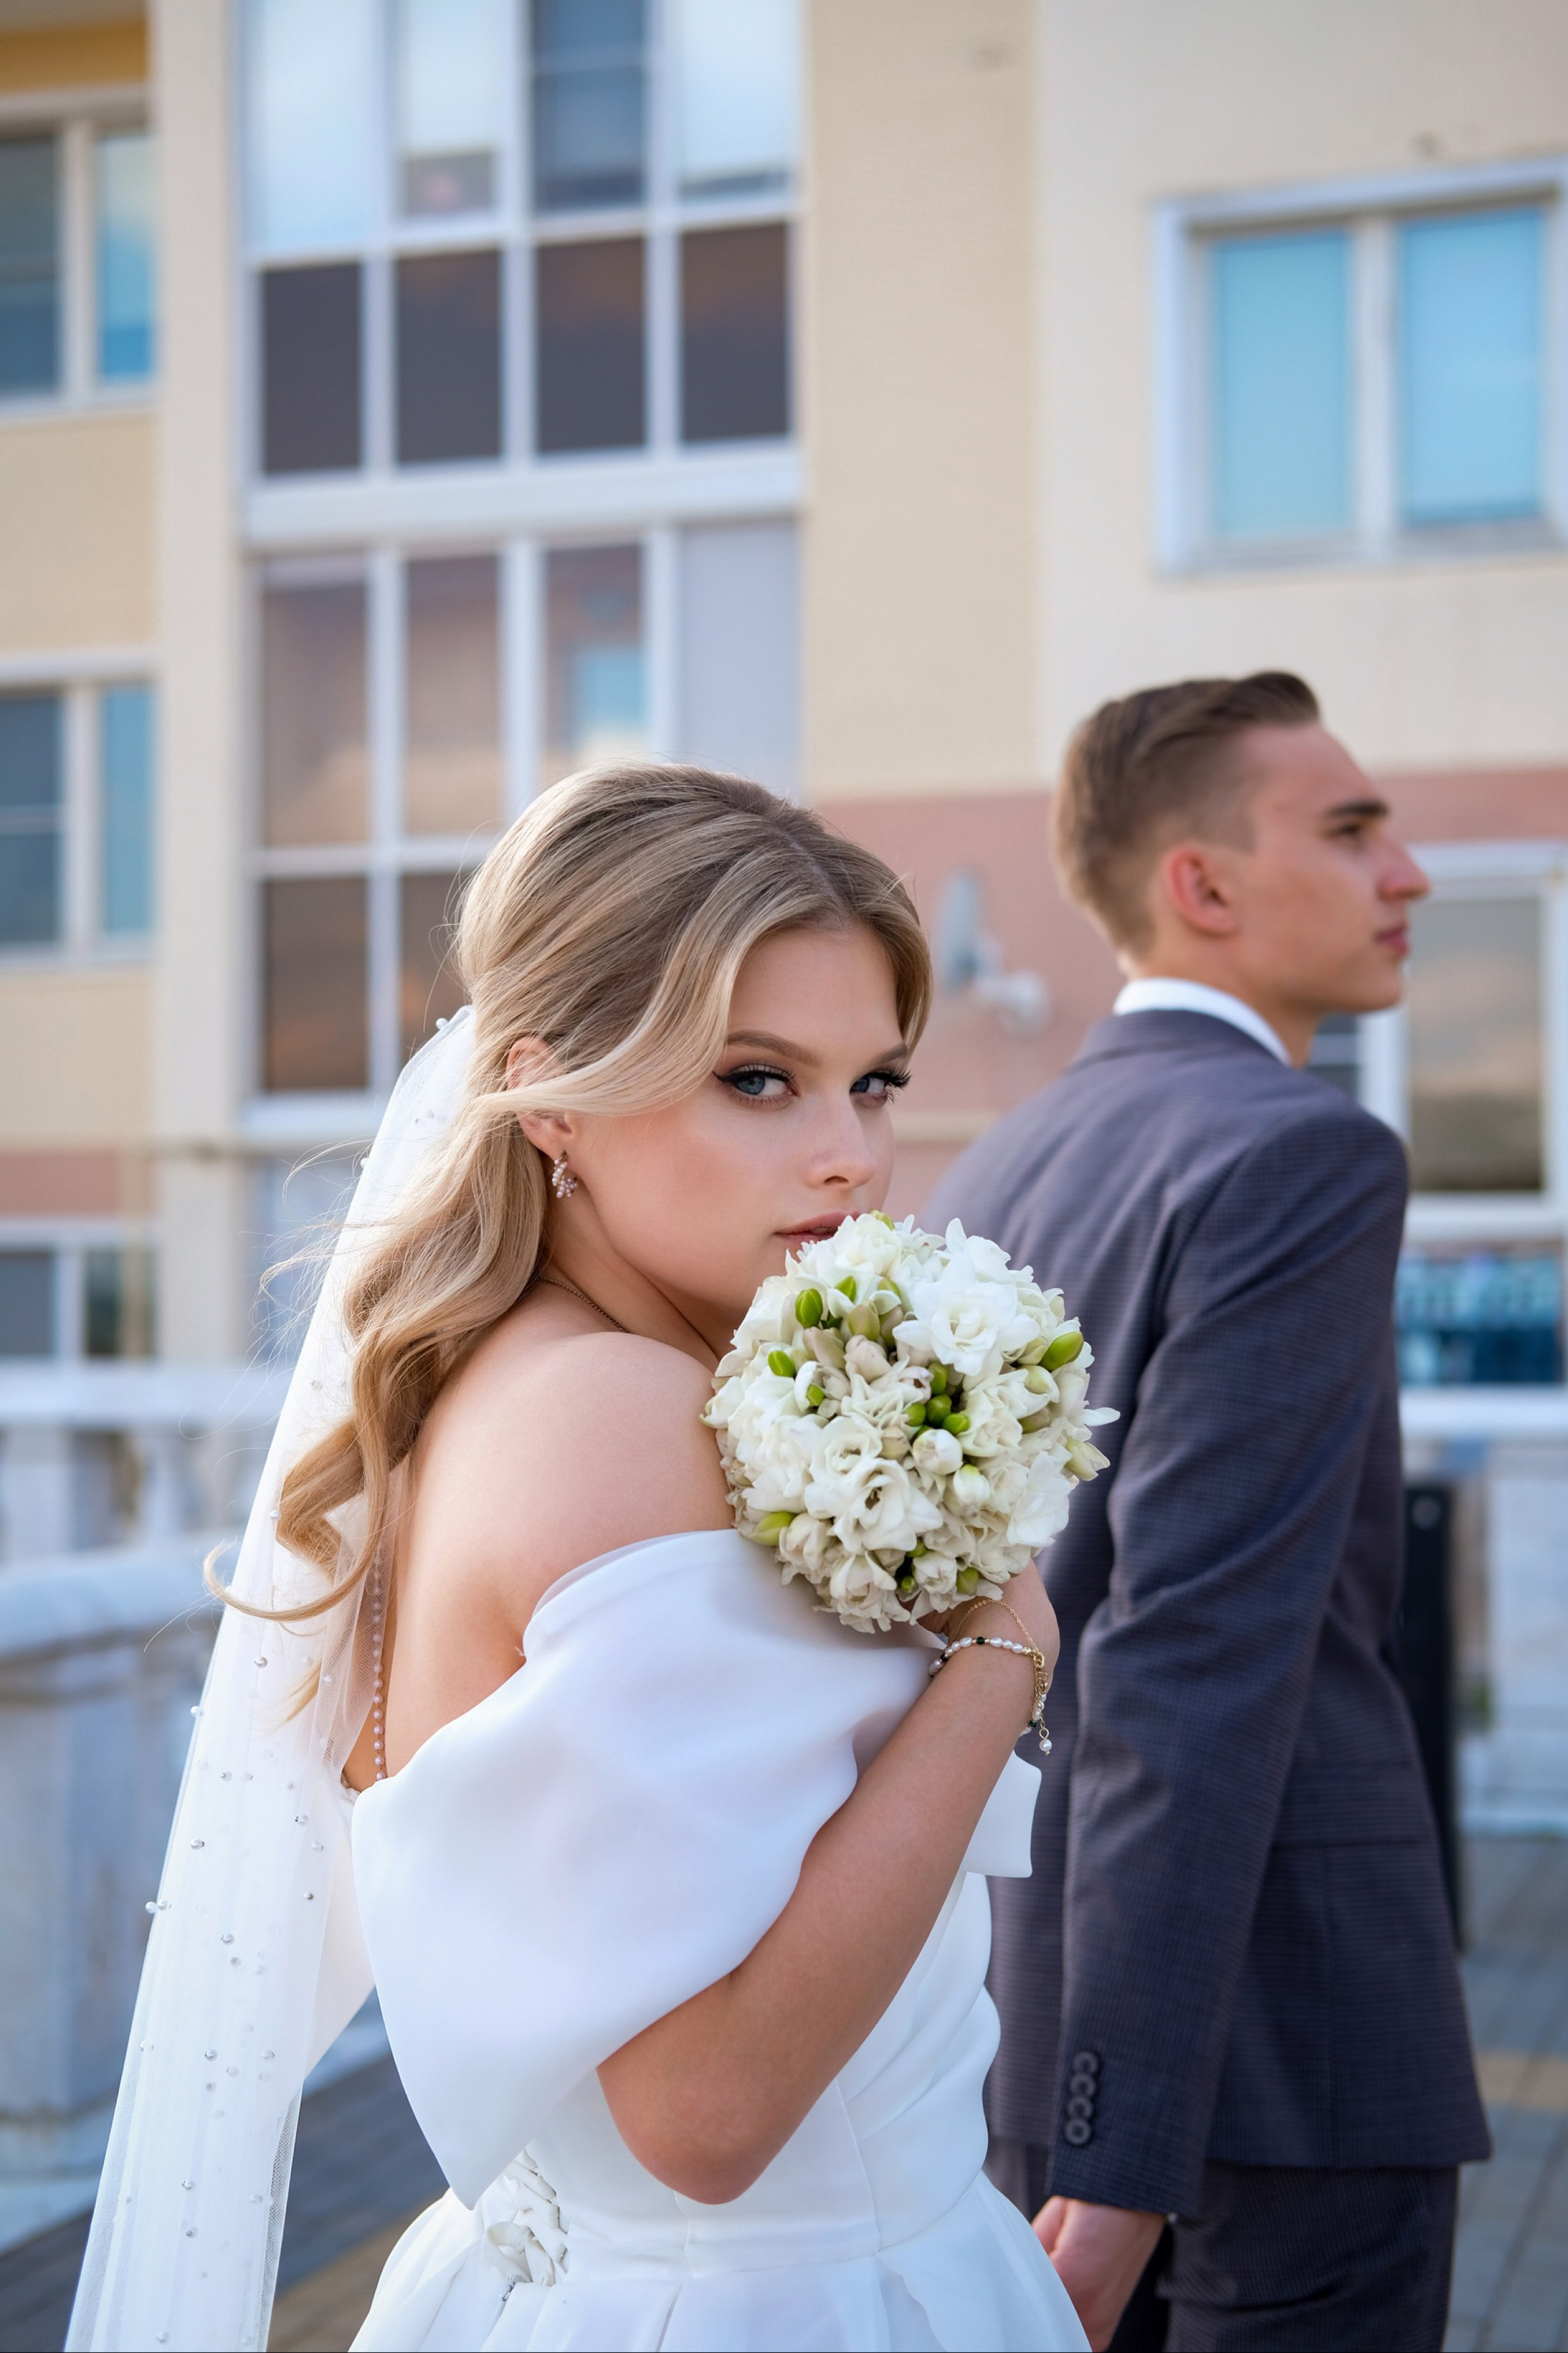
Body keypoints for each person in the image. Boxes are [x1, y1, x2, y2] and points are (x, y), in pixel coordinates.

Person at [70, 767, 1087, 2353]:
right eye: (758, 1080)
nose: (850, 1157)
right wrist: (1004, 1648)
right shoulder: (619, 1416)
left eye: (874, 1084)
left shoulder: (509, 1382)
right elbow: (707, 2106)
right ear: (549, 1095)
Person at [926, 675, 1490, 2353]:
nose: (1410, 874)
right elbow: (1192, 1652)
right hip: (1274, 2062)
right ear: (1203, 884)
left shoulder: (994, 1168)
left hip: (1019, 2021)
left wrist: (1082, 2106)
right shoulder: (1299, 1156)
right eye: (1350, 826)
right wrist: (1125, 2153)